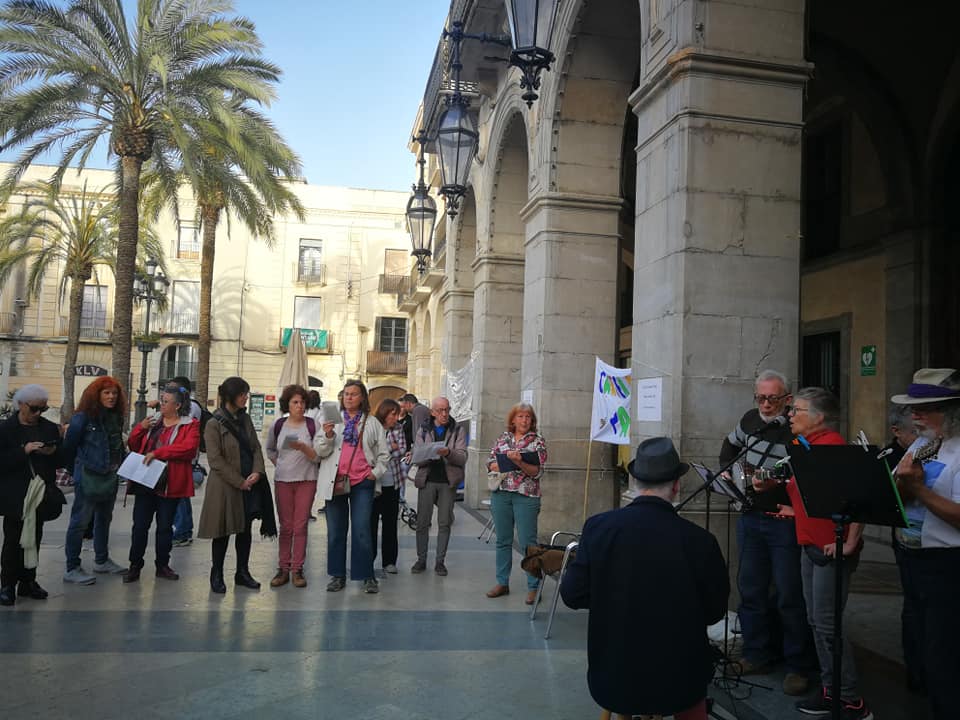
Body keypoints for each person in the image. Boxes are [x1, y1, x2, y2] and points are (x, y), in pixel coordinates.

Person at [561, 437, 729, 720]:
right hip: (679, 684)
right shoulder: (701, 541)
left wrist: (613, 596)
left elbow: (572, 594)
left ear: (635, 481)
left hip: (614, 679)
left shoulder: (599, 528)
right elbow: (714, 612)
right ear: (676, 486)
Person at [757, 387, 871, 719]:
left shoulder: (834, 450)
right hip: (809, 544)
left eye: (798, 410)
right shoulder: (803, 448)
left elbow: (861, 499)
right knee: (816, 622)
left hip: (831, 550)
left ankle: (849, 698)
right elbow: (814, 497)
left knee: (826, 624)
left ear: (819, 418)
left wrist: (849, 542)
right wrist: (793, 511)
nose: (790, 415)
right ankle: (830, 689)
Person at [719, 369, 812, 695]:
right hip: (750, 517)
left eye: (773, 398)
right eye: (761, 397)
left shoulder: (795, 428)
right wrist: (732, 477)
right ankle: (757, 653)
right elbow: (728, 447)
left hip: (785, 523)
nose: (766, 404)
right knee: (751, 588)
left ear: (787, 399)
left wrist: (782, 486)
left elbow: (809, 471)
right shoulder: (749, 421)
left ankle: (798, 664)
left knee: (789, 593)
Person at [891, 368, 960, 720]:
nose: (914, 415)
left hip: (948, 566)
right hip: (913, 558)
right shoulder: (922, 443)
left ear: (951, 411)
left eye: (924, 408)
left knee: (944, 654)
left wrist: (918, 488)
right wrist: (903, 486)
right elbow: (898, 493)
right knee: (922, 648)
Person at [197, 376, 276, 594]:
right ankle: (217, 574)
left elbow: (255, 448)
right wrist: (239, 481)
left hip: (249, 483)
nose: (246, 397)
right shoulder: (213, 424)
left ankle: (242, 572)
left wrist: (257, 472)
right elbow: (215, 460)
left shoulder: (246, 419)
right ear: (231, 396)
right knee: (222, 532)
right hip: (225, 486)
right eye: (242, 394)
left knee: (244, 530)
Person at [315, 379, 389, 594]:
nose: (348, 397)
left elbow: (384, 455)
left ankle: (366, 575)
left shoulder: (372, 423)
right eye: (346, 393)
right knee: (336, 532)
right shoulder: (331, 420)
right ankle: (337, 575)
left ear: (362, 398)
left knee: (362, 530)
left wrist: (373, 474)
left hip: (362, 483)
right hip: (335, 482)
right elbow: (320, 451)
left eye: (353, 394)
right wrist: (328, 436)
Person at [122, 383, 200, 583]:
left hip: (169, 483)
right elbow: (133, 444)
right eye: (162, 401)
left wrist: (158, 453)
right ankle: (135, 565)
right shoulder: (154, 422)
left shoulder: (189, 424)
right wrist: (141, 428)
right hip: (146, 481)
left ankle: (162, 565)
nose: (161, 405)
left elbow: (188, 449)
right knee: (140, 526)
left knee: (165, 527)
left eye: (166, 402)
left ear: (177, 405)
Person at [0, 385, 64, 605]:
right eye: (35, 408)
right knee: (12, 540)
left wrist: (53, 452)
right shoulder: (5, 429)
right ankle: (7, 584)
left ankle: (28, 581)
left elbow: (61, 459)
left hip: (39, 492)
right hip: (15, 494)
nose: (38, 414)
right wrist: (23, 451)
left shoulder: (49, 428)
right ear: (21, 405)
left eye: (42, 409)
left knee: (34, 537)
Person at [62, 376, 128, 584]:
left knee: (104, 520)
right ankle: (72, 567)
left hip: (110, 475)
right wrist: (76, 472)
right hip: (88, 476)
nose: (112, 397)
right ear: (96, 395)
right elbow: (69, 447)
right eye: (107, 393)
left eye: (115, 393)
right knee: (79, 523)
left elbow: (117, 445)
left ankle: (101, 560)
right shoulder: (82, 417)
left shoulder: (116, 417)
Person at [485, 402, 547, 604]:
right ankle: (502, 582)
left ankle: (533, 586)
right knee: (502, 540)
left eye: (528, 417)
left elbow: (536, 472)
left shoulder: (537, 442)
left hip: (526, 496)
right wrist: (505, 462)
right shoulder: (503, 439)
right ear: (513, 420)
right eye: (520, 416)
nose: (524, 420)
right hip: (501, 494)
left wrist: (520, 461)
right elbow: (490, 463)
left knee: (528, 542)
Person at [883, 404, 923, 693]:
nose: (921, 434)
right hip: (911, 542)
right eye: (915, 431)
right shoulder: (891, 457)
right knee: (915, 608)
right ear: (897, 432)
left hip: (937, 543)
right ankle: (917, 672)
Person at [265, 383, 320, 588]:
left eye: (302, 402)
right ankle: (283, 568)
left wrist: (304, 448)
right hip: (283, 480)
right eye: (295, 402)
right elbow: (270, 449)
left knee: (300, 525)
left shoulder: (313, 426)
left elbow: (318, 457)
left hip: (307, 479)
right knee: (286, 526)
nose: (299, 405)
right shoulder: (278, 425)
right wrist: (280, 464)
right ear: (287, 404)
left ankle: (297, 568)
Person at [411, 396, 466, 576]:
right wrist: (431, 452)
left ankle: (440, 562)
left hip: (447, 482)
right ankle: (421, 559)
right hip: (427, 479)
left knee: (444, 523)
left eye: (447, 410)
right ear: (433, 412)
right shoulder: (424, 429)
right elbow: (417, 457)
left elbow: (462, 457)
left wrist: (448, 453)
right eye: (441, 410)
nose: (445, 414)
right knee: (422, 522)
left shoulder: (457, 429)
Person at [167, 375, 204, 547]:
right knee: (181, 496)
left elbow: (181, 426)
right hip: (177, 458)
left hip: (184, 459)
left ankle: (182, 531)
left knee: (180, 496)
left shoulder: (192, 408)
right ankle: (184, 530)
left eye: (173, 389)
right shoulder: (187, 407)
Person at [371, 398, 405, 575]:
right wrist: (389, 448)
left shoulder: (398, 429)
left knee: (390, 524)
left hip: (393, 482)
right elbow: (369, 452)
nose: (396, 418)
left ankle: (389, 561)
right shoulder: (372, 426)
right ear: (384, 412)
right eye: (393, 414)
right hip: (374, 483)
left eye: (397, 415)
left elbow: (401, 450)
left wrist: (386, 450)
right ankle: (369, 559)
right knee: (371, 523)